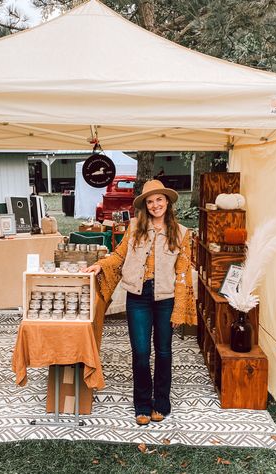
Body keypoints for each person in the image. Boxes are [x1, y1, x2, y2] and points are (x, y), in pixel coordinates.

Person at [84, 179, 197, 425]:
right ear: (145, 206)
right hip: (138, 297)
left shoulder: (181, 233)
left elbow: (183, 273)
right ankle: (143, 405)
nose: (156, 205)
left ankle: (162, 402)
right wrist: (100, 265)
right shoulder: (135, 227)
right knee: (141, 352)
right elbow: (120, 255)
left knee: (164, 351)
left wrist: (179, 307)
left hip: (166, 298)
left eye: (159, 199)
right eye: (150, 201)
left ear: (167, 201)